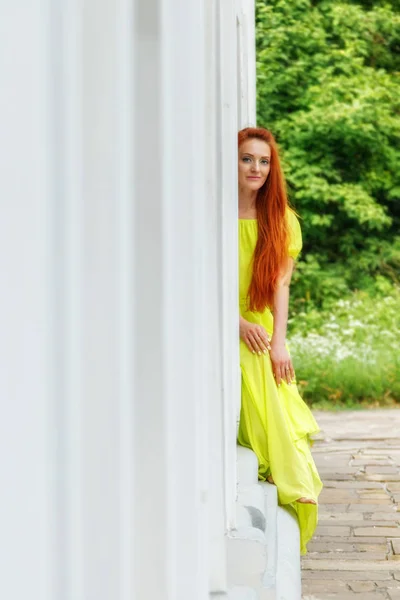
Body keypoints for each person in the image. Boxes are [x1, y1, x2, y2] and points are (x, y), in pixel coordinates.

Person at [237, 126, 323, 555]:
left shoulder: (281, 219)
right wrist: (233, 322)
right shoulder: (212, 214)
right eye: (247, 159)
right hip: (227, 324)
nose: (256, 168)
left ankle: (287, 482)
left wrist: (279, 343)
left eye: (264, 161)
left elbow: (280, 289)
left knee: (267, 372)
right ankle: (274, 475)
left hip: (260, 326)